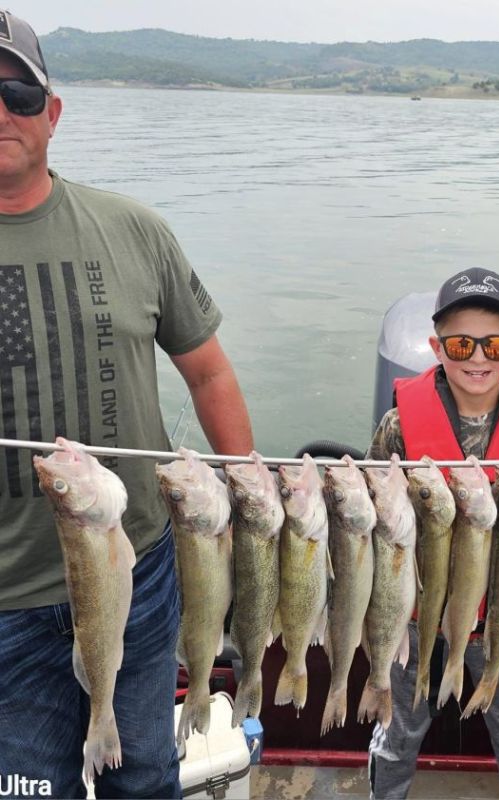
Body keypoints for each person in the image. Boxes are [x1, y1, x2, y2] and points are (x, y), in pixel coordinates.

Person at [0, 11, 253, 799]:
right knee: (26, 788)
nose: (0, 112)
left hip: (140, 573)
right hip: (7, 601)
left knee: (143, 776)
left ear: (53, 112)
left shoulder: (134, 230)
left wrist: (246, 486)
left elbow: (208, 373)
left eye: (15, 90)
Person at [367, 266, 499, 800]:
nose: (477, 358)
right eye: (461, 344)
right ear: (436, 346)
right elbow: (375, 517)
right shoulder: (398, 426)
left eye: (494, 345)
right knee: (399, 729)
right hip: (414, 612)